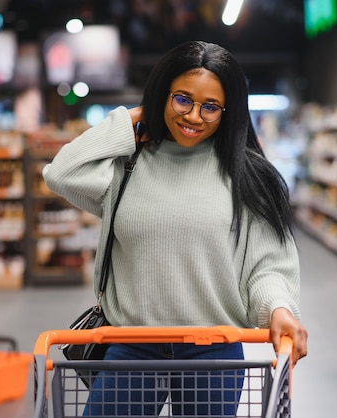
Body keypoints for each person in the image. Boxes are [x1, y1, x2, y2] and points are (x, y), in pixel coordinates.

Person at [42, 40, 308, 416]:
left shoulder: (248, 176)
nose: (194, 116)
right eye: (182, 99)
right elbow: (61, 172)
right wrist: (134, 117)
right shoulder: (128, 167)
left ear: (227, 111)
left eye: (210, 107)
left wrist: (278, 309)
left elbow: (267, 266)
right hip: (132, 345)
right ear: (161, 95)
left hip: (215, 349)